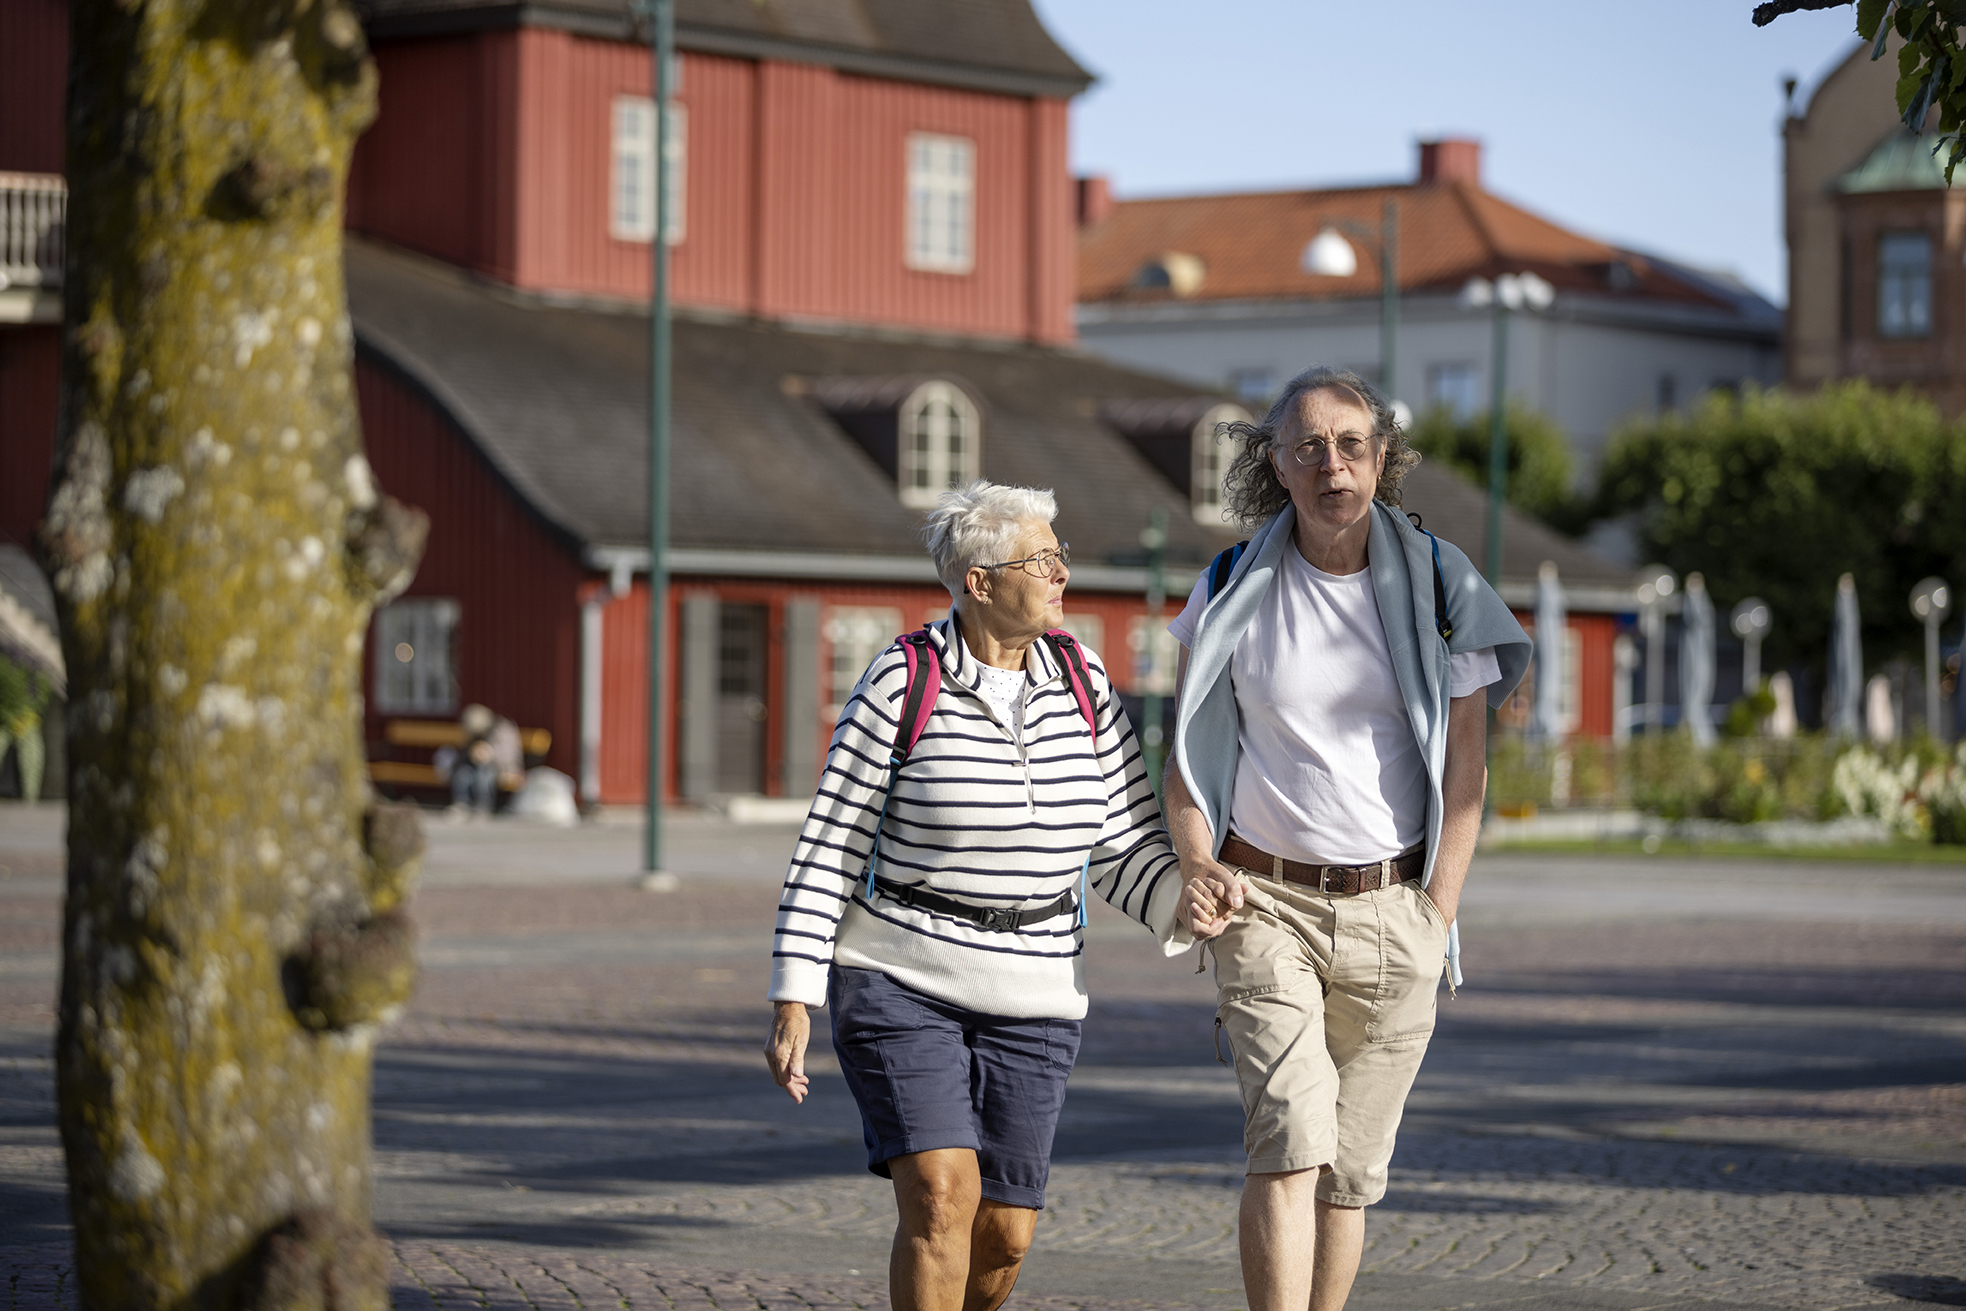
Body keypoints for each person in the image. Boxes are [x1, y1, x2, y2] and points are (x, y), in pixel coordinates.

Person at [766, 480, 1189, 1311]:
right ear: (980, 581)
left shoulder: (1084, 679)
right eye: (1041, 558)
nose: (1063, 571)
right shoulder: (902, 678)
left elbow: (1123, 841)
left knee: (1005, 1231)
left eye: (1060, 554)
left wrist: (1192, 903)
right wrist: (794, 993)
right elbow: (832, 840)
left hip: (1037, 989)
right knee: (940, 1192)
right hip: (900, 975)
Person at [1166, 367, 1530, 1311]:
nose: (1332, 463)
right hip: (1263, 901)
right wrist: (1198, 861)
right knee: (1288, 1139)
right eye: (1308, 447)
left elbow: (1466, 778)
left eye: (1351, 444)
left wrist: (1433, 911)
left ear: (1382, 458)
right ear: (1276, 467)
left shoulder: (1443, 586)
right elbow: (1188, 759)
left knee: (1350, 1172)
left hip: (1393, 908)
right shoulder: (1229, 585)